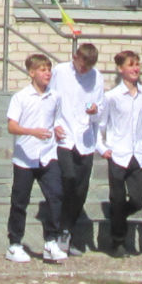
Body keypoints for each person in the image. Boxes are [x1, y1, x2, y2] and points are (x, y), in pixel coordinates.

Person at [97, 50, 142, 258]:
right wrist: (102, 148)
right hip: (118, 154)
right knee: (117, 198)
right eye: (130, 65)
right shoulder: (111, 97)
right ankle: (117, 241)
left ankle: (117, 217)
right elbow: (100, 124)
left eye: (137, 65)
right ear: (120, 69)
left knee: (138, 200)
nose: (135, 69)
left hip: (140, 155)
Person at [5, 54, 67, 263]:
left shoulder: (55, 97)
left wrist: (57, 129)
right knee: (20, 202)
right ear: (32, 73)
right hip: (25, 157)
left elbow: (56, 119)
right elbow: (12, 126)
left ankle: (51, 241)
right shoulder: (21, 97)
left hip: (48, 155)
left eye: (49, 69)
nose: (47, 73)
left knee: (56, 195)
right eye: (42, 70)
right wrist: (32, 132)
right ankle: (14, 244)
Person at [50, 43, 105, 256]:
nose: (84, 71)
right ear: (75, 58)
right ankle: (58, 228)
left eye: (88, 68)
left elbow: (100, 109)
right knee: (68, 178)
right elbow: (50, 98)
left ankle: (67, 230)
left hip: (85, 139)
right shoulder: (60, 71)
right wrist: (53, 124)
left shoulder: (97, 77)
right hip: (64, 136)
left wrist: (95, 111)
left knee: (81, 189)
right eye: (82, 66)